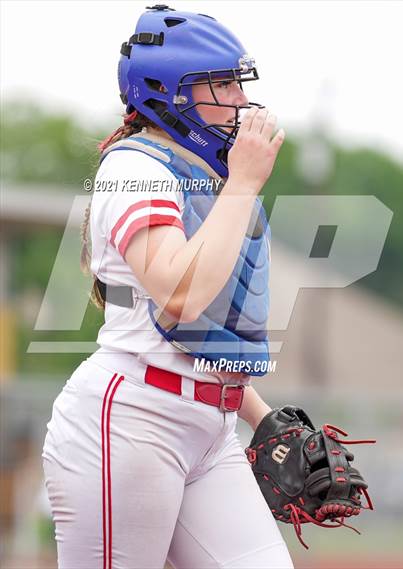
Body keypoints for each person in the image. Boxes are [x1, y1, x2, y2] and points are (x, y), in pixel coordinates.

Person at [42, 5, 292, 568]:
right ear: (172, 91)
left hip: (210, 426)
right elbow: (179, 296)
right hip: (134, 421)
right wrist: (246, 181)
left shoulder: (204, 176)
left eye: (237, 83)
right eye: (221, 83)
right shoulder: (135, 165)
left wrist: (261, 416)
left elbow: (202, 334)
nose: (239, 100)